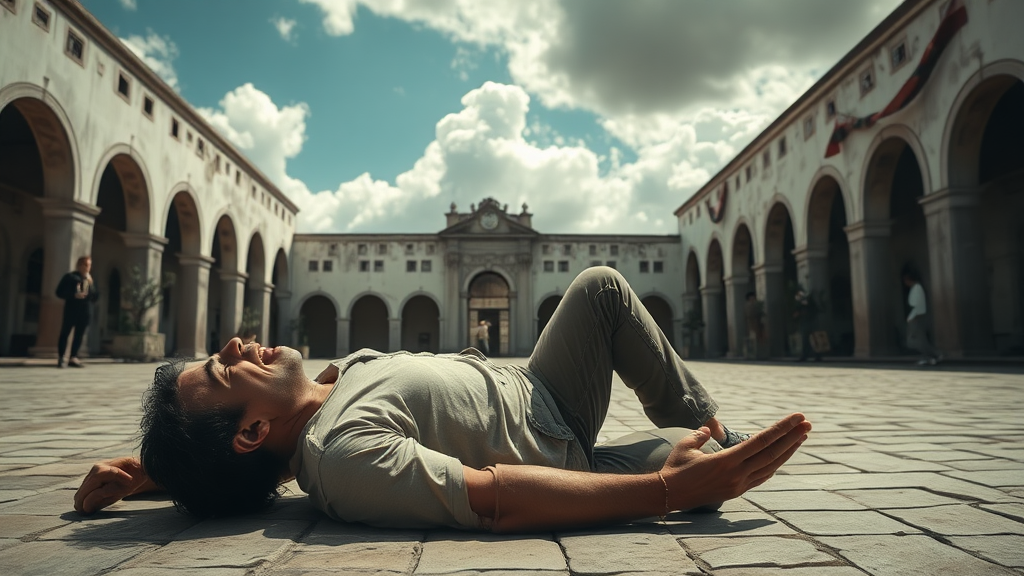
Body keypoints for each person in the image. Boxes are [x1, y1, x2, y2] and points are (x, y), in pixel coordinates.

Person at [73, 267, 811, 532]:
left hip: (537, 387)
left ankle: (707, 423)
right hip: (558, 444)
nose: (235, 345)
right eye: (225, 369)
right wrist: (665, 490)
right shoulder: (342, 456)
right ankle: (711, 435)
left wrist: (153, 473)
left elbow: (225, 464)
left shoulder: (328, 392)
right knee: (712, 476)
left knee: (599, 290)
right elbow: (494, 499)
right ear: (252, 430)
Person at [56, 256, 99, 368]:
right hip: (71, 309)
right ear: (80, 265)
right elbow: (59, 292)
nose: (88, 268)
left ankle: (73, 357)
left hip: (84, 311)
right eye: (86, 265)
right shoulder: (69, 277)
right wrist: (73, 295)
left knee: (79, 335)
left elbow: (95, 297)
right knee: (65, 333)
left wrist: (91, 284)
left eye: (89, 265)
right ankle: (61, 357)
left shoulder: (90, 280)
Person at [903, 270, 942, 366]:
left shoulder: (917, 288)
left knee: (914, 341)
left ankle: (935, 354)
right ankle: (929, 357)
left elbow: (919, 305)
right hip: (914, 317)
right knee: (918, 341)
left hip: (916, 317)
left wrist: (915, 317)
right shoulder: (915, 288)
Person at [793, 289, 821, 362]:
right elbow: (797, 313)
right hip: (804, 323)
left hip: (812, 323)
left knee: (815, 340)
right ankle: (804, 356)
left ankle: (818, 356)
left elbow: (816, 310)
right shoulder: (799, 304)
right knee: (805, 341)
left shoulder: (810, 302)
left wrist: (807, 305)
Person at [743, 292, 763, 359]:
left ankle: (757, 353)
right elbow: (749, 315)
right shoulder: (748, 306)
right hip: (751, 324)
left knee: (757, 338)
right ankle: (752, 354)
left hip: (756, 323)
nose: (753, 299)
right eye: (752, 298)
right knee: (752, 338)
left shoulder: (755, 305)